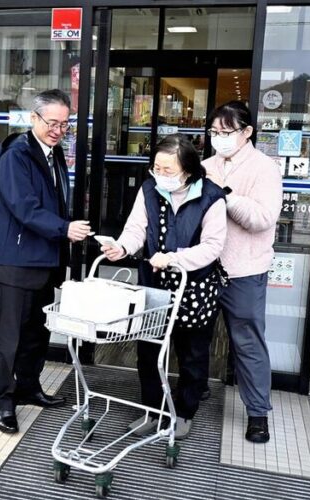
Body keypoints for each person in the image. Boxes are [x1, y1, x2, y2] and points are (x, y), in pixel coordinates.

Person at [101, 134, 227, 440]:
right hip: (154, 283)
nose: (160, 175)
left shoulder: (211, 197)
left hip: (194, 284)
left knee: (192, 353)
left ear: (188, 169)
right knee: (149, 350)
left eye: (168, 170)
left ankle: (184, 411)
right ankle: (151, 410)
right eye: (156, 168)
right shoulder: (149, 190)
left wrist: (172, 258)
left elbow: (212, 247)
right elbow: (136, 229)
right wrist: (122, 248)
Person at [0, 89, 92, 434]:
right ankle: (4, 400)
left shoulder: (55, 154)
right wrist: (65, 229)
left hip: (47, 258)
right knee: (11, 337)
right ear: (33, 119)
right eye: (53, 123)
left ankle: (29, 387)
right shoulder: (16, 155)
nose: (59, 130)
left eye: (65, 124)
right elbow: (24, 207)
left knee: (37, 331)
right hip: (18, 259)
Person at [202, 100, 283, 443]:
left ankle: (257, 413)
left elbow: (263, 218)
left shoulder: (265, 168)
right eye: (214, 132)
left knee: (248, 343)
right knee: (195, 337)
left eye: (226, 132)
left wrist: (225, 195)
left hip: (245, 270)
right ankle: (193, 391)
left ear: (247, 132)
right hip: (204, 267)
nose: (218, 138)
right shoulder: (204, 165)